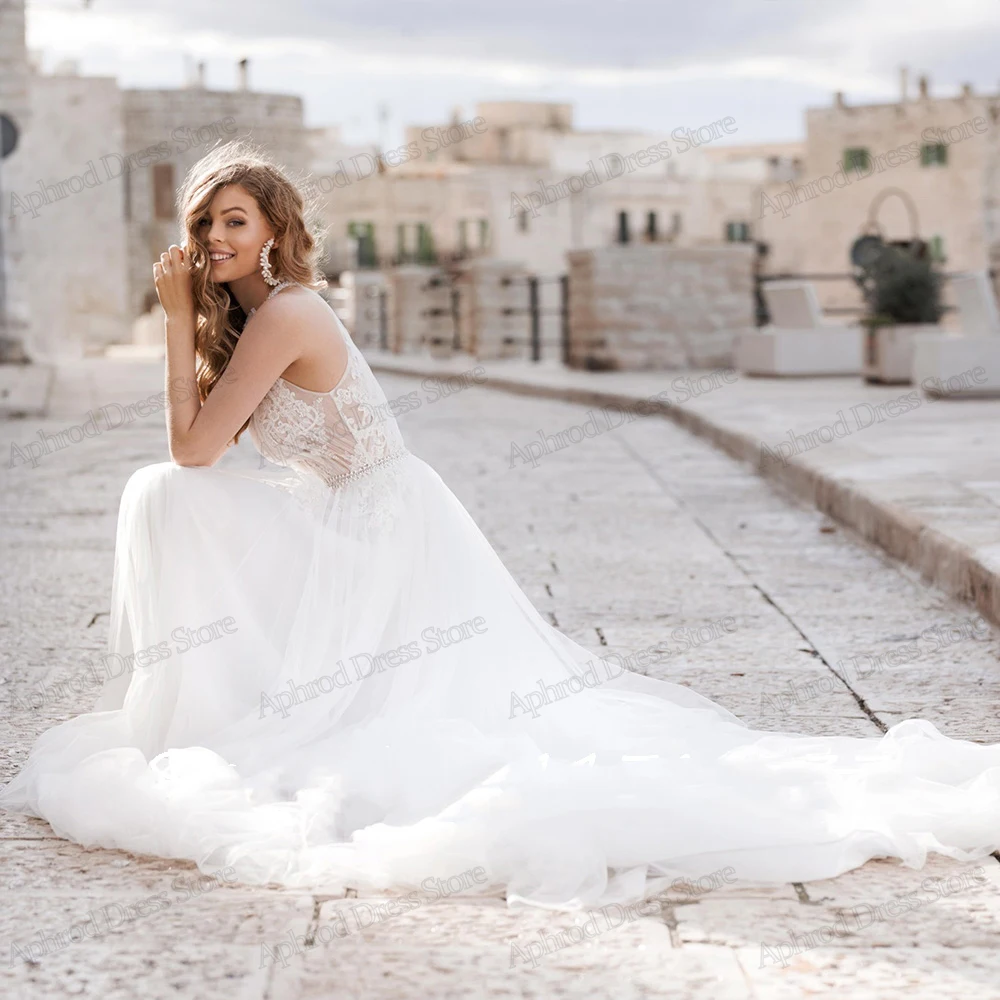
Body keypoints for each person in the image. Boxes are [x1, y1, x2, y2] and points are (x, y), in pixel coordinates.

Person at [3, 140, 999, 912]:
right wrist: (193, 316)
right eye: (201, 223)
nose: (212, 238)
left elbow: (191, 449)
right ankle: (227, 690)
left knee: (167, 491)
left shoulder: (287, 314)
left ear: (272, 229)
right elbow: (199, 449)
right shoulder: (255, 314)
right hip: (342, 512)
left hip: (384, 526)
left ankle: (227, 699)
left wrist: (176, 318)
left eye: (232, 220)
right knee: (167, 495)